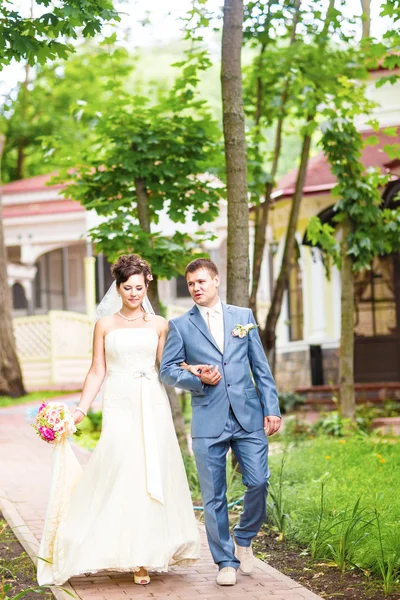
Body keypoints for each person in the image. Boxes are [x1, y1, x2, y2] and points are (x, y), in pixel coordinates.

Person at [37, 254, 200, 587]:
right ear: (118, 287)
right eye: (127, 288)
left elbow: (168, 366)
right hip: (120, 402)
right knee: (121, 470)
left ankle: (143, 556)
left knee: (149, 473)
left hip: (152, 403)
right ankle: (102, 545)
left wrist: (195, 371)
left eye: (139, 287)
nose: (134, 293)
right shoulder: (105, 325)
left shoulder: (159, 325)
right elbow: (98, 370)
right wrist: (80, 409)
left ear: (147, 284)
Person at [160, 258, 281, 586]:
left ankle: (244, 537)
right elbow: (168, 370)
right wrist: (199, 378)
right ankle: (225, 561)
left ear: (216, 281)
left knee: (258, 482)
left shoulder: (243, 318)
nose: (196, 288)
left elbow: (260, 367)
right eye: (190, 284)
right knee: (214, 496)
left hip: (248, 415)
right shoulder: (180, 325)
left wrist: (272, 408)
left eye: (201, 282)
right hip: (208, 418)